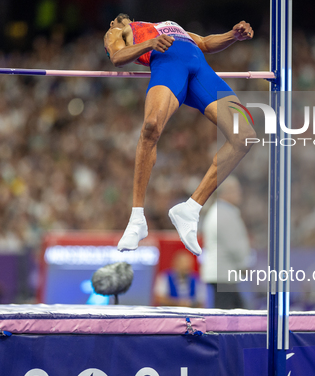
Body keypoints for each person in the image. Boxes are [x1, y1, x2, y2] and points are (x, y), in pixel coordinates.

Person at [103, 15, 256, 256]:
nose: (118, 19)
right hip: (168, 66)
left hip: (200, 71)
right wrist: (149, 45)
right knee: (151, 126)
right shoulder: (120, 31)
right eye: (115, 19)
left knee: (244, 134)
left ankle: (190, 209)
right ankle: (137, 219)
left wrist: (232, 36)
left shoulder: (169, 25)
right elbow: (117, 58)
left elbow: (204, 43)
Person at [201, 176, 252, 309]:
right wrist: (243, 264)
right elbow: (234, 246)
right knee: (228, 316)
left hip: (223, 273)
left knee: (235, 311)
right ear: (225, 192)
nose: (240, 193)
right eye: (236, 190)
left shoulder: (221, 212)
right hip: (223, 274)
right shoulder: (223, 215)